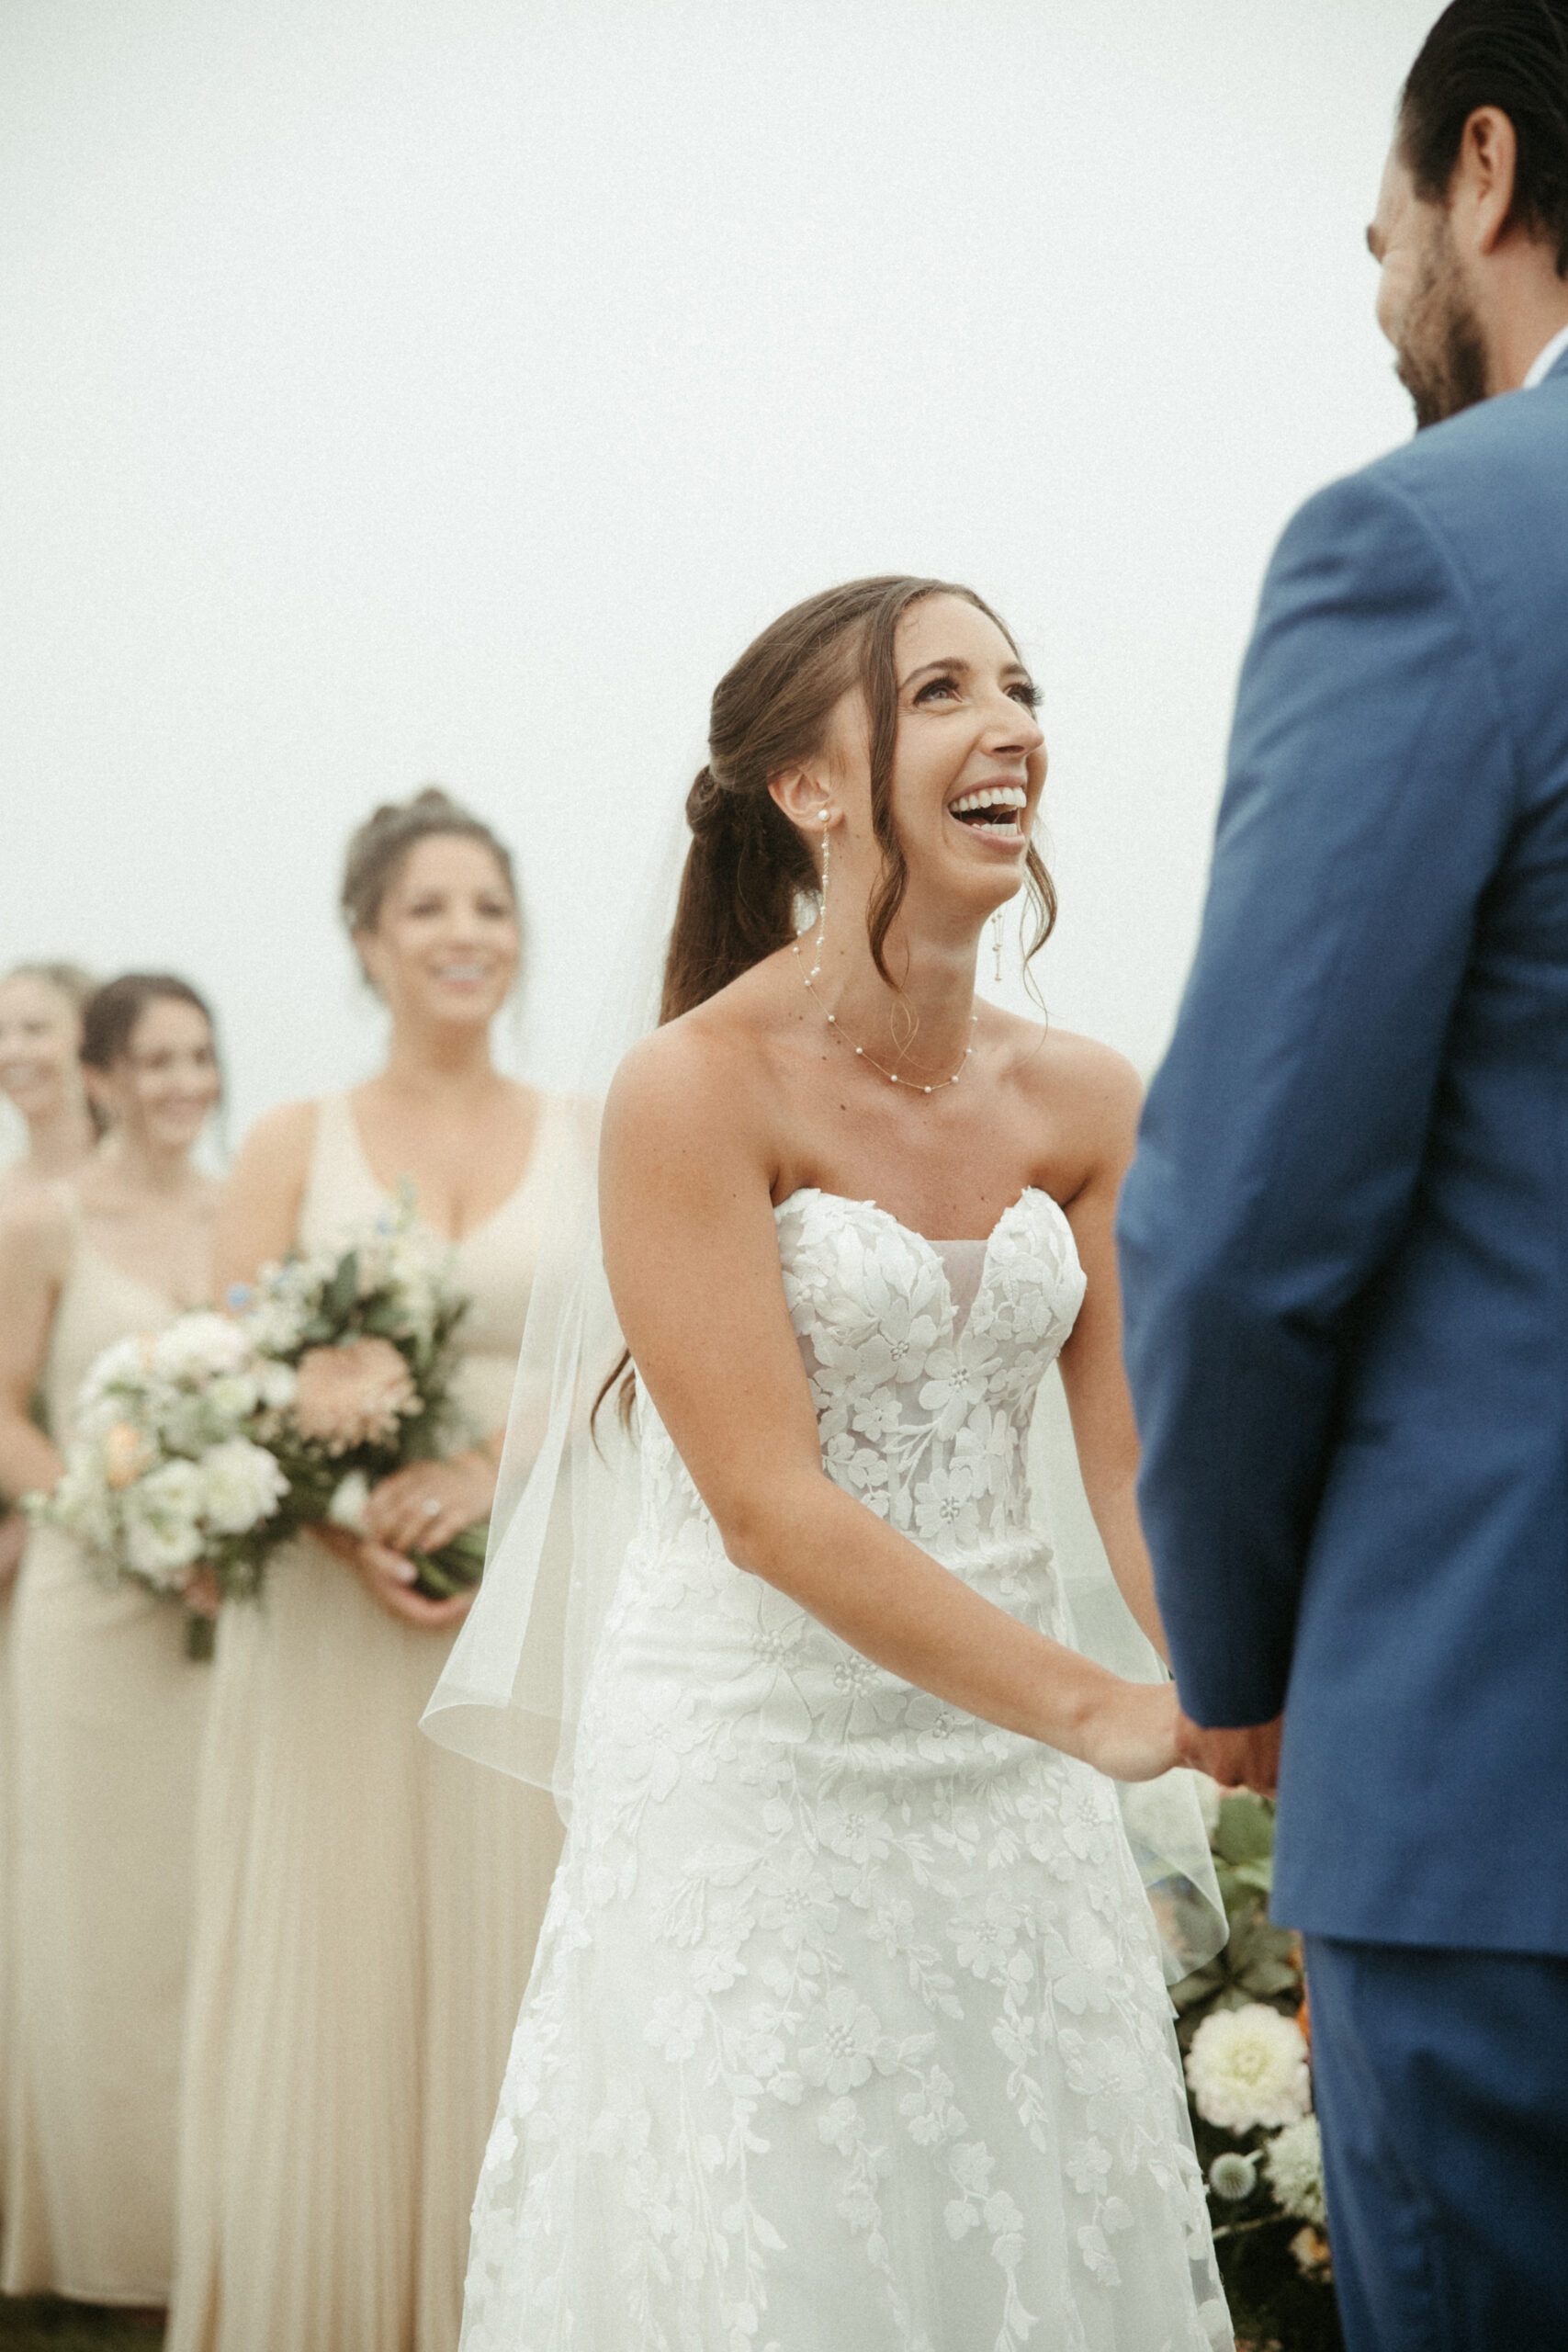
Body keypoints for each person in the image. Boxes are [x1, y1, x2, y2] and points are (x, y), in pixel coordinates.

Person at [446, 579, 1232, 2349]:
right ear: (809, 789)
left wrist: (1217, 1672)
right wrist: (1093, 1710)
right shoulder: (694, 1089)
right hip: (758, 1766)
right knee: (788, 2240)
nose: (1009, 724)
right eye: (941, 690)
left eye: (1019, 687)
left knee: (1019, 2210)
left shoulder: (1087, 1098)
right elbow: (765, 1508)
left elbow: (1137, 1467)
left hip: (1007, 1781)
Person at [1115, 5, 1568, 2345]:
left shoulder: (1432, 544)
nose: (1376, 264)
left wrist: (1239, 1648)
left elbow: (1236, 1214)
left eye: (1380, 213)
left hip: (1511, 1759)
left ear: (1476, 168)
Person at [168, 789, 581, 2352]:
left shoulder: (588, 1131)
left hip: (526, 1589)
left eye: (489, 904)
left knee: (514, 1943)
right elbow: (223, 1369)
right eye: (429, 908)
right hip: (335, 1618)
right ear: (367, 940)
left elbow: (627, 1361)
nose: (466, 934)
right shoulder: (292, 1141)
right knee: (333, 1957)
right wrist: (352, 1530)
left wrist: (491, 1481)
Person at [0, 972, 221, 2306]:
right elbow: (6, 1418)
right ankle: (102, 2240)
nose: (181, 1085)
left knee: (210, 1914)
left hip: (222, 1597)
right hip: (93, 1601)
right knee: (102, 1923)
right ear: (98, 1076)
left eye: (199, 1056)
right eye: (152, 1062)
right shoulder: (43, 1223)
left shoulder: (245, 1205)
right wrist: (116, 1504)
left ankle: (217, 2214)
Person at [0, 964, 99, 1587]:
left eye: (35, 1028)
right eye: (3, 1033)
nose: (14, 1051)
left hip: (90, 1523)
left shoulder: (127, 1195)